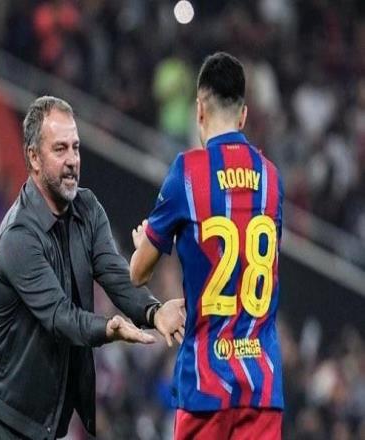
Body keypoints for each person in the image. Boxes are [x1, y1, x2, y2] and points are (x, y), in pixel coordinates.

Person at [0, 96, 185, 439]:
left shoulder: (88, 208)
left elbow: (116, 275)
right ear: (33, 157)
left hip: (47, 416)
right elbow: (60, 317)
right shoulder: (18, 236)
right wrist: (109, 329)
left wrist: (154, 311)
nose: (72, 160)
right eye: (60, 149)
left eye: (75, 147)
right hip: (5, 415)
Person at [130, 52, 284, 440]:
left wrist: (142, 244)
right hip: (262, 387)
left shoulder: (188, 172)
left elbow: (138, 273)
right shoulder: (271, 179)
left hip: (205, 385)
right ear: (244, 115)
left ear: (199, 109)